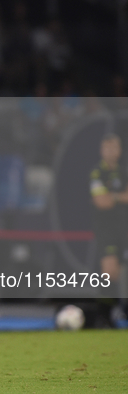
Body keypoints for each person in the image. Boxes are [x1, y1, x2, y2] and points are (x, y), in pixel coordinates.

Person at [90, 133, 128, 327]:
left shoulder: (124, 171)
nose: (111, 151)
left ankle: (115, 312)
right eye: (107, 147)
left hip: (124, 227)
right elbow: (101, 201)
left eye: (115, 147)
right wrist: (120, 196)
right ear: (101, 150)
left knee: (121, 273)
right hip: (106, 229)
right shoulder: (98, 173)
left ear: (120, 150)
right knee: (109, 272)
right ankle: (103, 316)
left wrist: (112, 196)